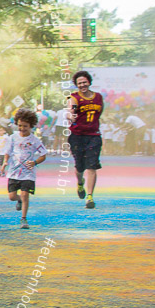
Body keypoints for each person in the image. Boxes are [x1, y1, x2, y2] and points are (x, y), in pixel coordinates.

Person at [2, 108, 47, 230]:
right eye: (20, 126)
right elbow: (7, 151)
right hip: (13, 172)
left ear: (31, 126)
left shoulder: (34, 140)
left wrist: (35, 162)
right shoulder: (13, 137)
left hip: (28, 174)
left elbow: (43, 155)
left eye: (25, 126)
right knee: (12, 196)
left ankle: (23, 219)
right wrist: (5, 162)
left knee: (25, 194)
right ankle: (19, 200)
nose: (22, 128)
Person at [66, 70, 103, 209]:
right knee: (80, 166)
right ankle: (80, 183)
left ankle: (90, 196)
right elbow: (71, 110)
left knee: (92, 166)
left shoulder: (98, 97)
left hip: (94, 136)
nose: (82, 85)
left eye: (84, 82)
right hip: (77, 137)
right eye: (79, 83)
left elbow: (100, 113)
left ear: (89, 82)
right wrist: (71, 116)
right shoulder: (74, 98)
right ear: (76, 85)